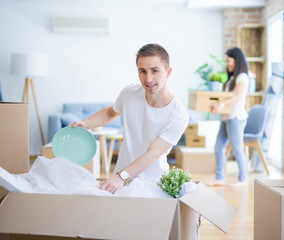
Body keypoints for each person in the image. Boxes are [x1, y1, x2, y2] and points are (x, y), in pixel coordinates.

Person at [70, 43, 188, 194]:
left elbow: (153, 154)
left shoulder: (178, 114)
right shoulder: (129, 93)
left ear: (168, 72)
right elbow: (109, 113)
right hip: (122, 180)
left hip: (153, 184)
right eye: (142, 71)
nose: (148, 78)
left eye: (155, 71)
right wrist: (85, 124)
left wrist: (121, 176)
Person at [207, 47, 249, 187]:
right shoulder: (232, 78)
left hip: (236, 118)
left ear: (237, 60)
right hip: (227, 117)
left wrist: (221, 104)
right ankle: (219, 178)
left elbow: (237, 97)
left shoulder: (242, 77)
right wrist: (218, 106)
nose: (227, 64)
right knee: (218, 147)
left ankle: (243, 179)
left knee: (237, 149)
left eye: (229, 60)